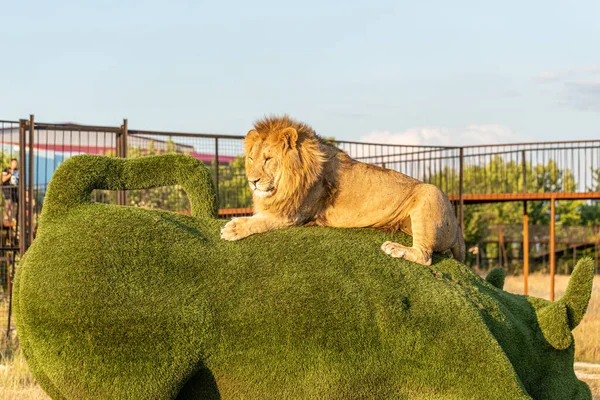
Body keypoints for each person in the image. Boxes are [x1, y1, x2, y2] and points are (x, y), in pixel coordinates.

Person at [2, 158, 19, 227]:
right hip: (7, 188)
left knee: (13, 204)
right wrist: (10, 174)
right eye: (13, 163)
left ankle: (10, 218)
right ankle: (6, 216)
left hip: (14, 189)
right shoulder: (6, 170)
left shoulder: (17, 171)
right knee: (9, 201)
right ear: (10, 163)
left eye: (16, 163)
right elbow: (3, 179)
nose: (15, 164)